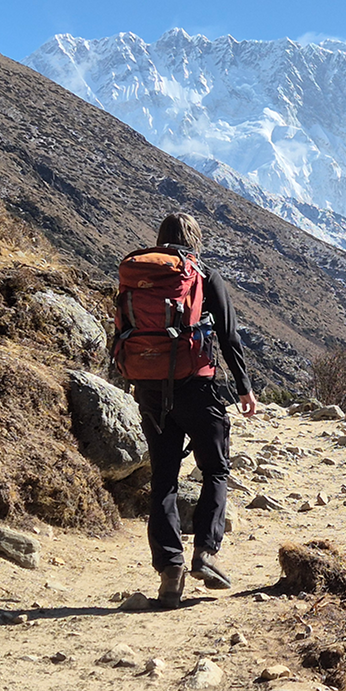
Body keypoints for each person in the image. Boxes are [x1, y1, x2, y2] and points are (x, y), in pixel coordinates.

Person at [130, 212, 257, 609]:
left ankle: (170, 573)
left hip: (150, 389)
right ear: (194, 240)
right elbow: (228, 335)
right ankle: (206, 552)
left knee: (164, 478)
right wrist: (244, 387)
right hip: (196, 387)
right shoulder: (202, 274)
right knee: (216, 468)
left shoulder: (138, 275)